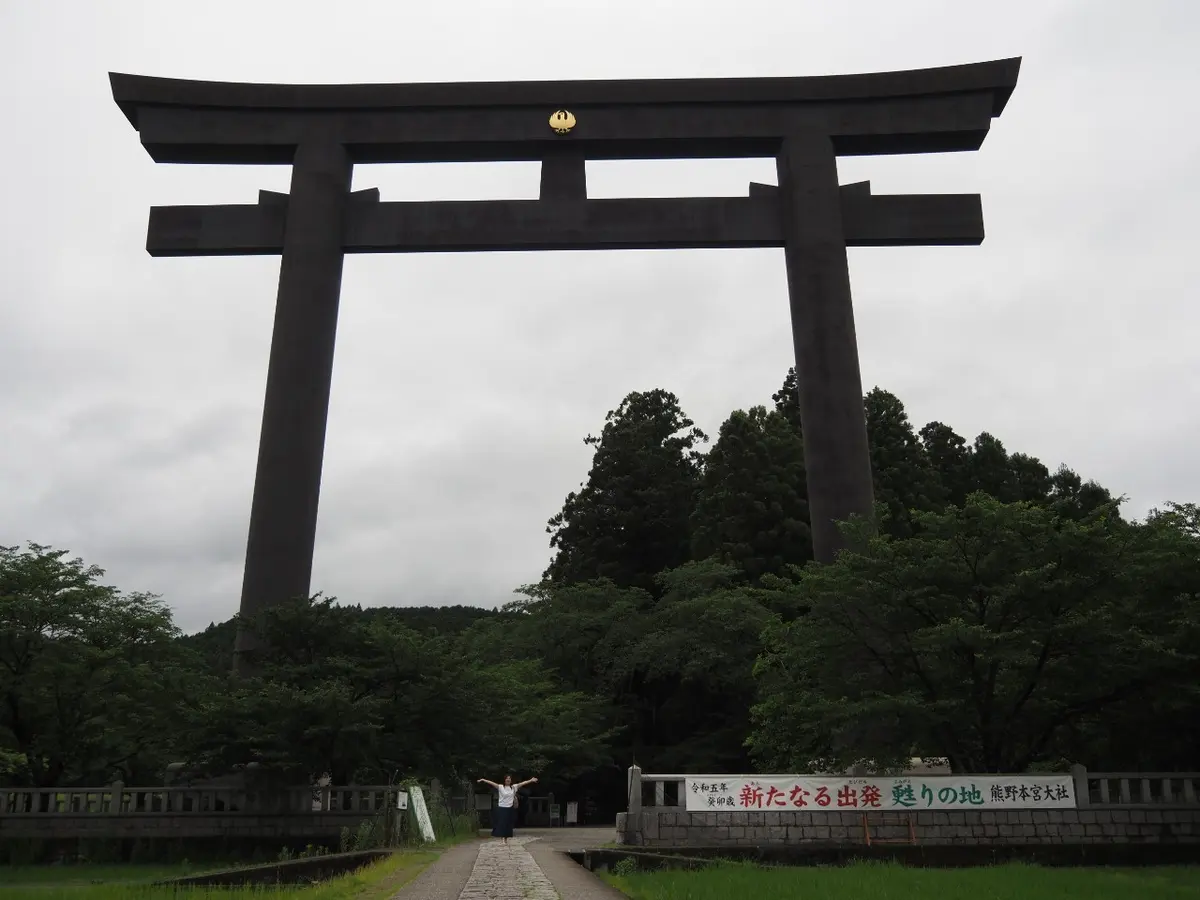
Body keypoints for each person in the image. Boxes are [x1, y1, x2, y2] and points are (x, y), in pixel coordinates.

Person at [477, 774, 538, 843]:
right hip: (502, 808)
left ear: (511, 780)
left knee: (508, 824)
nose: (508, 779)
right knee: (502, 823)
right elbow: (491, 783)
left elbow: (522, 783)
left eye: (509, 778)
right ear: (504, 780)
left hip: (510, 808)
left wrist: (531, 780)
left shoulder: (514, 787)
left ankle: (506, 838)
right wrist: (483, 780)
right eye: (507, 778)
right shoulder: (500, 787)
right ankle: (503, 838)